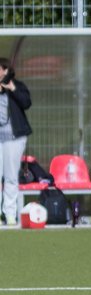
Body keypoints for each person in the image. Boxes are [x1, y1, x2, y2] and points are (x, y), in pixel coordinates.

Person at [0, 57, 33, 227]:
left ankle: (10, 214)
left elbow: (27, 103)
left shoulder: (17, 85)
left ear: (6, 71)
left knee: (11, 177)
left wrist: (11, 88)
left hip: (14, 139)